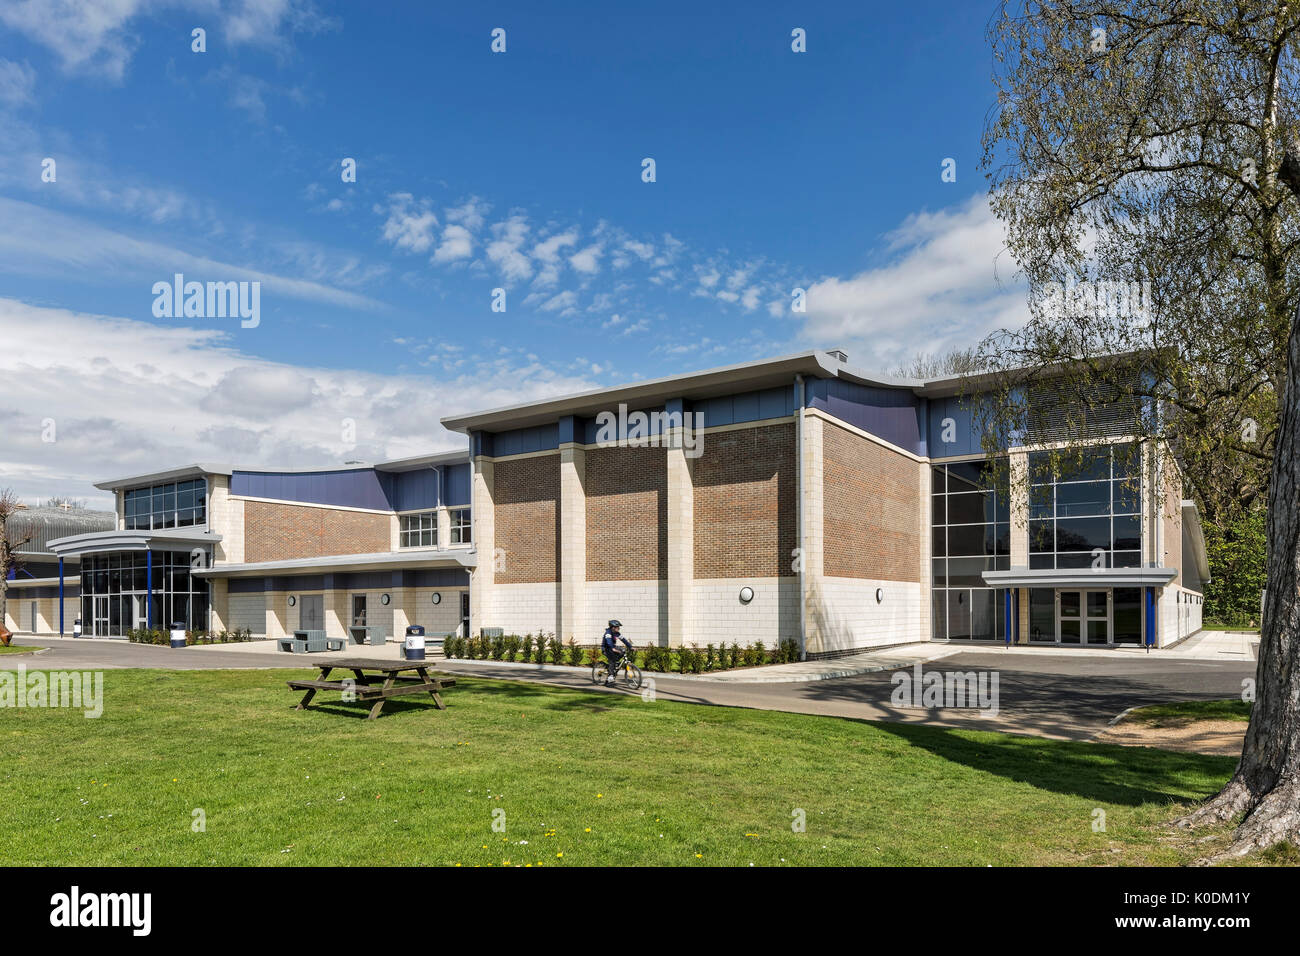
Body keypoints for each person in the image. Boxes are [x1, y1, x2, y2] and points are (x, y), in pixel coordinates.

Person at [601, 619, 632, 686]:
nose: (619, 628)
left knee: (622, 650)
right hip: (606, 648)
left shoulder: (617, 633)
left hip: (613, 647)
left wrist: (630, 647)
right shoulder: (608, 633)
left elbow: (624, 640)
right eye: (618, 627)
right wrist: (613, 648)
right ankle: (610, 676)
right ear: (613, 627)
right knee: (612, 659)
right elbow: (609, 642)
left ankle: (614, 665)